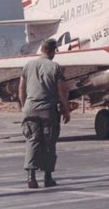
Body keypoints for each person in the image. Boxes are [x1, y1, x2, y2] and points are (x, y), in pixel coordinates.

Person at [19, 38, 71, 189]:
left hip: (30, 109)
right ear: (52, 50)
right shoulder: (55, 67)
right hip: (48, 110)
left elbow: (21, 89)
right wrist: (66, 109)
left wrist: (24, 106)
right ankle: (48, 177)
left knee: (32, 141)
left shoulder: (28, 65)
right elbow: (62, 91)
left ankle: (31, 177)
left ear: (42, 49)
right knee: (49, 143)